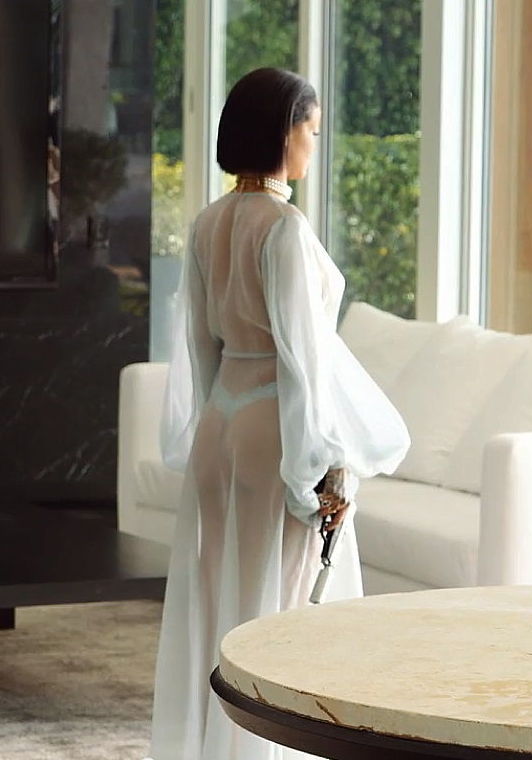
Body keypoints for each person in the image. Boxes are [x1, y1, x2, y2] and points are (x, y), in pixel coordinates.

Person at [146, 67, 410, 760]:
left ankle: (218, 744)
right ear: (283, 132)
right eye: (311, 131)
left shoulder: (208, 223)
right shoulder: (284, 228)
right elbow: (302, 362)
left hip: (221, 426)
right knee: (279, 608)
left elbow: (200, 348)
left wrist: (216, 422)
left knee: (219, 595)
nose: (314, 145)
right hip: (274, 428)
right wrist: (321, 470)